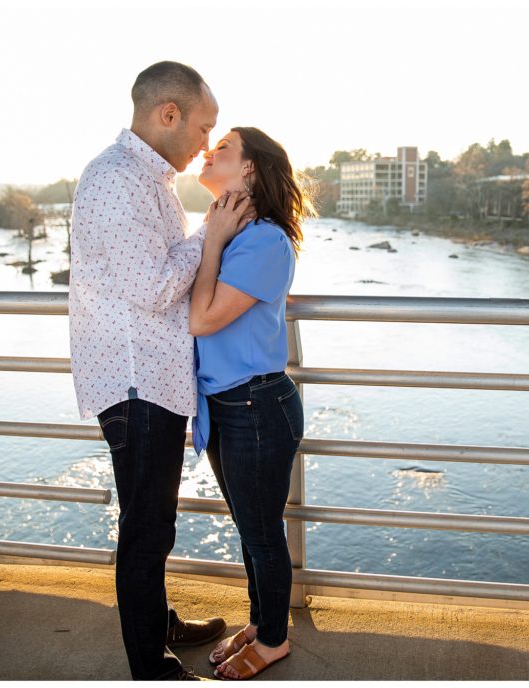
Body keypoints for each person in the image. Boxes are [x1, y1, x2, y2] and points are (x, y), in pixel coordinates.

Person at [68, 61, 252, 681]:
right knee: (147, 529)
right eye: (203, 128)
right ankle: (151, 665)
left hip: (152, 380)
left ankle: (159, 618)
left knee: (154, 521)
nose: (206, 142)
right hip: (134, 382)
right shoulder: (116, 182)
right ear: (166, 115)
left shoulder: (151, 180)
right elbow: (153, 287)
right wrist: (213, 233)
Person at [187, 128, 312, 680]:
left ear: (251, 171)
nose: (210, 152)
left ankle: (275, 641)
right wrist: (213, 234)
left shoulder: (263, 240)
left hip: (257, 407)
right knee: (251, 529)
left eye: (225, 148)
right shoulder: (233, 231)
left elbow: (203, 318)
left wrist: (212, 239)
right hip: (228, 405)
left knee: (261, 533)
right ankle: (261, 623)